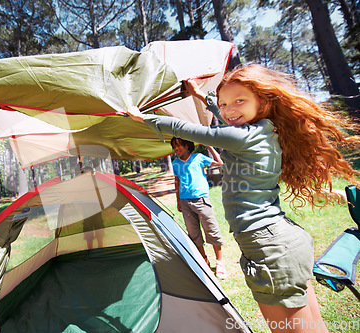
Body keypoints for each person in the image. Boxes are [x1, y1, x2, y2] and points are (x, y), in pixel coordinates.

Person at [126, 64, 360, 333]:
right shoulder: (262, 130)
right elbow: (227, 119)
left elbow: (190, 130)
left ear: (263, 102)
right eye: (224, 103)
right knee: (312, 328)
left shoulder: (243, 136)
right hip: (280, 241)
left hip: (269, 246)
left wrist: (143, 117)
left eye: (240, 100)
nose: (229, 109)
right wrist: (202, 97)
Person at [171, 137, 227, 279]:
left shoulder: (198, 158)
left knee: (211, 228)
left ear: (187, 146)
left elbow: (219, 163)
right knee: (193, 232)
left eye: (179, 146)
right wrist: (178, 200)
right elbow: (176, 181)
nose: (176, 149)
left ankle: (220, 262)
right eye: (174, 147)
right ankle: (203, 260)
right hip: (185, 202)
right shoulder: (175, 163)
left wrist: (209, 146)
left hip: (201, 199)